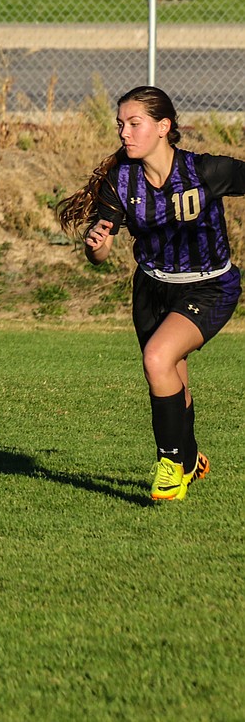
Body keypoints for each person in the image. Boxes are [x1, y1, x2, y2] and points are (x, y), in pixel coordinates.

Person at [57, 86, 243, 501]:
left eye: (134, 124)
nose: (124, 132)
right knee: (171, 377)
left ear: (164, 127)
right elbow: (101, 255)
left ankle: (170, 464)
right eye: (121, 124)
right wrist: (96, 242)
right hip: (151, 288)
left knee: (157, 358)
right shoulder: (120, 179)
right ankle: (192, 459)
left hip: (209, 285)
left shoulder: (205, 171)